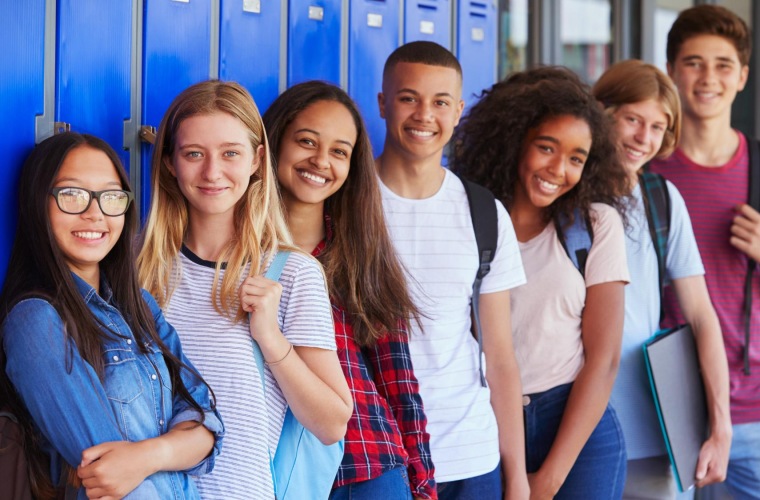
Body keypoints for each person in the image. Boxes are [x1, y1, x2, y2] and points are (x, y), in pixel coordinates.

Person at [137, 80, 353, 499]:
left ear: (257, 160)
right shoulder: (138, 269)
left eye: (230, 154)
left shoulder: (292, 274)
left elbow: (331, 424)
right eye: (194, 154)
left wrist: (270, 339)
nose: (212, 172)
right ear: (169, 162)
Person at [0, 132, 222, 499]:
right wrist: (172, 450)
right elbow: (107, 475)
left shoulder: (141, 308)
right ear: (38, 203)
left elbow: (208, 426)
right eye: (72, 194)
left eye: (111, 196)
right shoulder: (36, 321)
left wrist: (147, 456)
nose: (95, 213)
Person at [453, 66, 630, 499]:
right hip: (485, 420)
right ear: (515, 142)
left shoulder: (593, 226)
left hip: (573, 429)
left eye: (576, 158)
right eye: (546, 148)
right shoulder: (467, 217)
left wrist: (550, 478)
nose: (558, 169)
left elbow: (603, 361)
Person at [649, 5, 760, 498]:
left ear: (742, 77)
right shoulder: (648, 173)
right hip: (661, 404)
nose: (707, 77)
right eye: (693, 62)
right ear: (672, 70)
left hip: (756, 404)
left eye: (722, 64)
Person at [263, 80, 437, 499]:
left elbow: (398, 382)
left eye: (339, 151)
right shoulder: (236, 254)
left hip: (366, 467)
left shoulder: (360, 255)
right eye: (306, 141)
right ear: (273, 144)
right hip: (271, 472)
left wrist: (424, 485)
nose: (321, 161)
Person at [376, 41, 529, 499]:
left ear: (458, 110)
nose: (425, 115)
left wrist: (516, 475)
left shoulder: (484, 211)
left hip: (472, 458)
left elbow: (499, 357)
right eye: (409, 98)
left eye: (440, 102)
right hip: (379, 458)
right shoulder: (346, 204)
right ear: (383, 103)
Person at [593, 59, 732, 498]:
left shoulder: (662, 199)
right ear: (602, 113)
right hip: (576, 428)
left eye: (657, 127)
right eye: (632, 119)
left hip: (656, 426)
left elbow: (702, 316)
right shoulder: (564, 192)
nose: (643, 138)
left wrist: (720, 426)